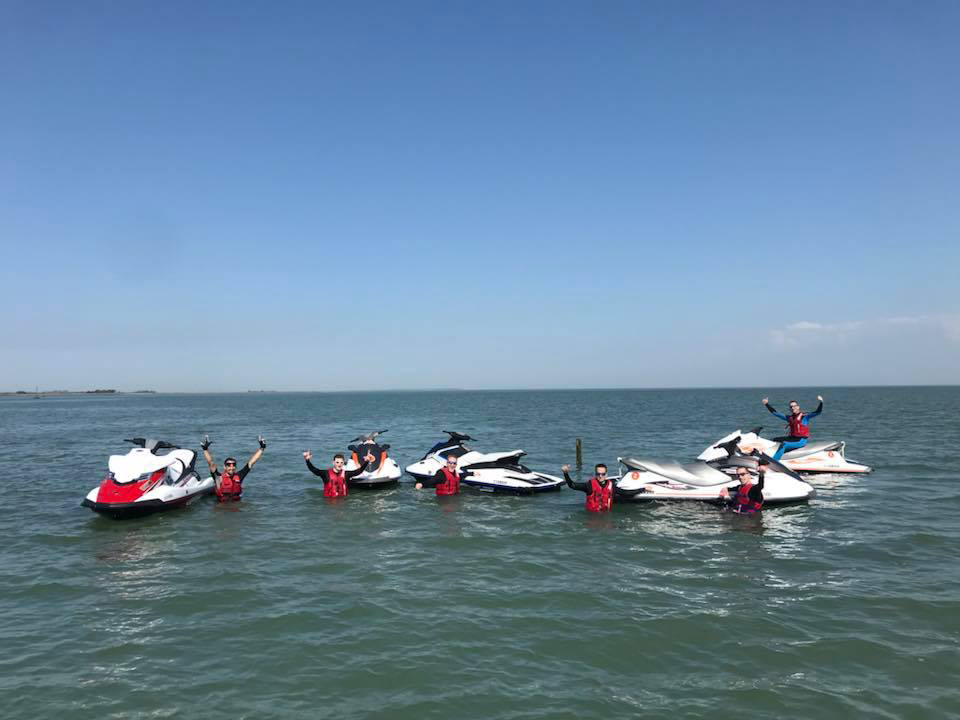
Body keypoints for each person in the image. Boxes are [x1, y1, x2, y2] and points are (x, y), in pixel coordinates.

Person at [201, 434, 266, 502]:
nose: (231, 467)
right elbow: (210, 462)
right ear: (224, 467)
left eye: (233, 465)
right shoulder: (218, 477)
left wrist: (262, 448)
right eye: (228, 465)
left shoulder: (239, 476)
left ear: (235, 466)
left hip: (236, 507)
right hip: (221, 508)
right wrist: (205, 449)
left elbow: (251, 463)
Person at [762, 394, 824, 461]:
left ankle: (773, 462)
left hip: (801, 441)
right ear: (790, 409)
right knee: (772, 440)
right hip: (792, 438)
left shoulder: (805, 416)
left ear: (798, 407)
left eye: (794, 406)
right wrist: (766, 404)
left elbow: (817, 412)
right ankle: (763, 456)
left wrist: (821, 402)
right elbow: (776, 413)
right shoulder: (789, 418)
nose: (793, 408)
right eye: (791, 407)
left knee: (784, 444)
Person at [303, 450, 374, 498]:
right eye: (337, 462)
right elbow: (314, 470)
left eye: (341, 462)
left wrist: (367, 461)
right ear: (333, 462)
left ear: (343, 463)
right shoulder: (325, 474)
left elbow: (359, 471)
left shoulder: (346, 474)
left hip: (343, 502)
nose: (339, 464)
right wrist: (307, 460)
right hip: (328, 503)